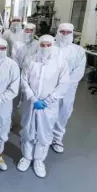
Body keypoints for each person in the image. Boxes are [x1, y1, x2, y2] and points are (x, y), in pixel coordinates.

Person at [17, 35, 69, 178]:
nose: (45, 48)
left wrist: (48, 100)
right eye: (42, 45)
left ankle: (39, 160)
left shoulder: (60, 63)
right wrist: (33, 99)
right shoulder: (30, 60)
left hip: (49, 106)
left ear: (53, 45)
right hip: (31, 103)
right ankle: (27, 156)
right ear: (38, 45)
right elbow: (24, 81)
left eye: (48, 45)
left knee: (44, 132)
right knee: (28, 129)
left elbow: (63, 84)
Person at [52, 23, 86, 153]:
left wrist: (64, 84)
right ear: (58, 32)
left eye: (68, 32)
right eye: (62, 32)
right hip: (50, 87)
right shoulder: (50, 47)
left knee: (63, 111)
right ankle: (45, 135)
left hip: (68, 88)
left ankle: (57, 138)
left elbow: (78, 71)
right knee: (48, 111)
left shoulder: (78, 51)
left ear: (72, 34)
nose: (64, 35)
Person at [0, 39, 20, 171]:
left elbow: (14, 88)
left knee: (1, 128)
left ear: (6, 49)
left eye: (2, 48)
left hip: (3, 104)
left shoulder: (12, 65)